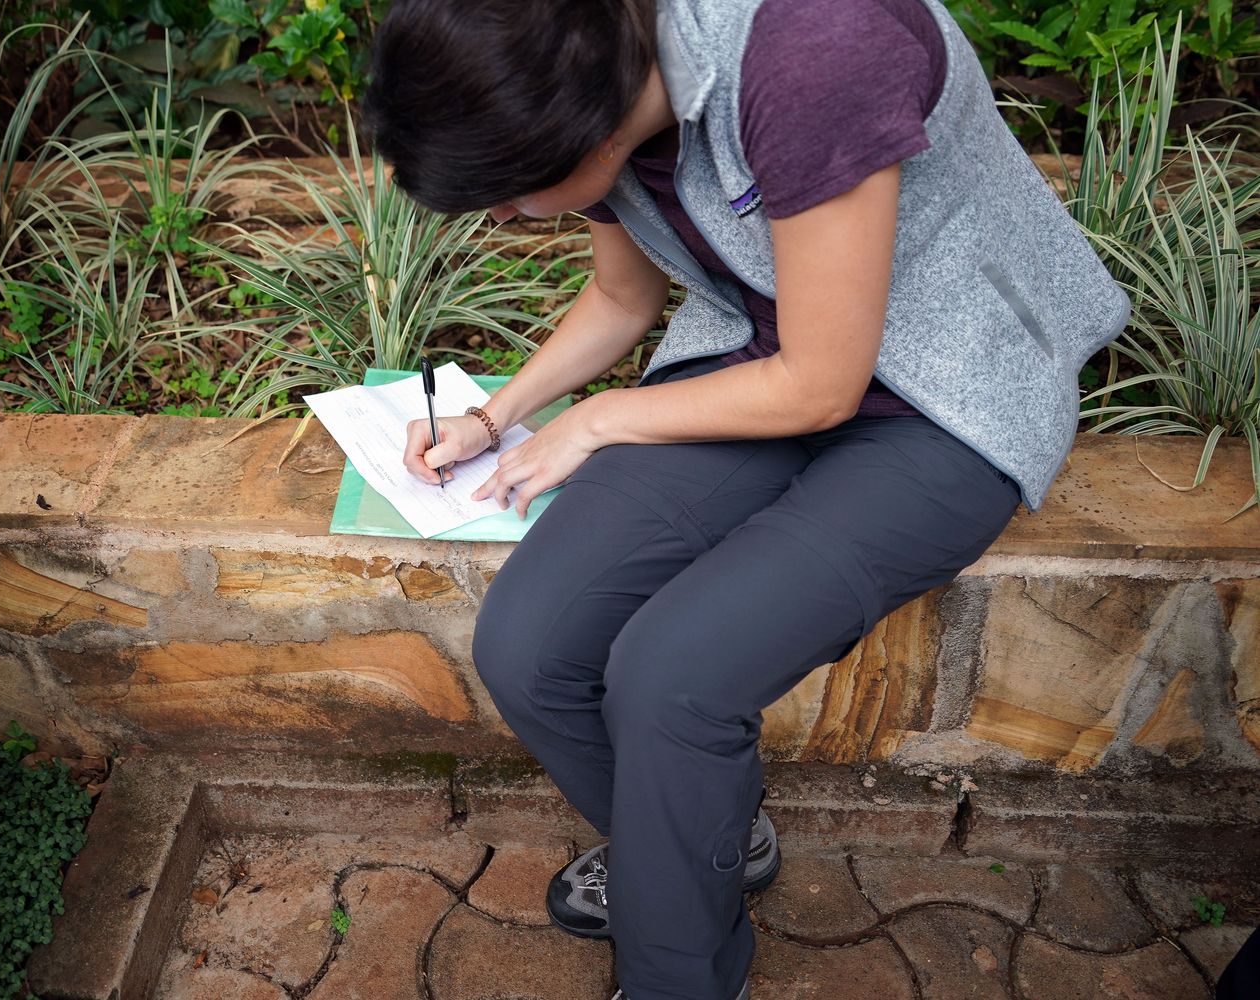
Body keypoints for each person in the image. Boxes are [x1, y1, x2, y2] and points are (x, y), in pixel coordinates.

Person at [365, 0, 1130, 997]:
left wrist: (599, 420)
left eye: (507, 198)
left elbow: (821, 385)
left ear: (587, 133)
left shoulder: (813, 51)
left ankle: (677, 962)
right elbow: (623, 299)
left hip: (947, 402)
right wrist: (492, 415)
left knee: (673, 674)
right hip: (755, 359)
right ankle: (691, 847)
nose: (506, 219)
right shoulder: (589, 66)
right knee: (529, 643)